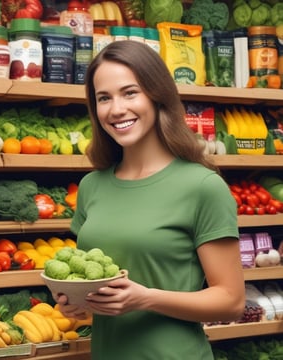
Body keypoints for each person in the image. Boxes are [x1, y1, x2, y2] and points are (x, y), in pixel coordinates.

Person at [55, 40, 245, 360]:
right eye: (104, 98)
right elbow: (98, 288)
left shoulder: (202, 187)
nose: (116, 109)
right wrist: (77, 302)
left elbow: (231, 301)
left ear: (157, 96)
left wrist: (146, 298)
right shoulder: (91, 187)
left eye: (130, 93)